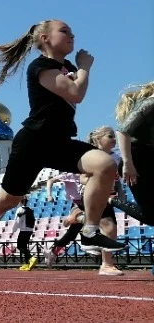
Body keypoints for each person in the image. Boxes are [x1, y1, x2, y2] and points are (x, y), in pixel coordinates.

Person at [0, 19, 124, 270]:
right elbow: (76, 93)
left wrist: (78, 69)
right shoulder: (41, 67)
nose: (72, 35)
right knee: (8, 200)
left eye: (73, 32)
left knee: (105, 164)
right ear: (45, 39)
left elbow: (75, 90)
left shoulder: (66, 65)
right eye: (64, 31)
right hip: (33, 142)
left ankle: (89, 230)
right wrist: (85, 68)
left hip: (59, 142)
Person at [44, 126, 123, 275]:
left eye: (114, 136)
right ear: (98, 139)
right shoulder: (90, 157)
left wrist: (120, 191)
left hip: (106, 196)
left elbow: (116, 178)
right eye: (110, 136)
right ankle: (104, 262)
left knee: (103, 229)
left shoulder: (116, 158)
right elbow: (81, 177)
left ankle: (79, 223)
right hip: (90, 197)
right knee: (108, 227)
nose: (114, 139)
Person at [113, 81, 154, 224]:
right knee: (151, 216)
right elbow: (123, 131)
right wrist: (128, 163)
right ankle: (112, 199)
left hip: (150, 157)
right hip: (138, 159)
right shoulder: (151, 102)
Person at [14, 198, 36, 271]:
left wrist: (13, 230)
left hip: (23, 230)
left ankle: (31, 258)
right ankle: (26, 263)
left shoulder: (20, 209)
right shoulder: (30, 209)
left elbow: (17, 221)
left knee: (19, 246)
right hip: (30, 230)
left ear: (20, 202)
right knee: (24, 247)